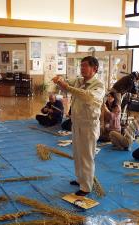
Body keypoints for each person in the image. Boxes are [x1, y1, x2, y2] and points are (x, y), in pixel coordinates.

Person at [52, 56, 105, 196]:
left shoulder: (99, 85)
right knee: (77, 154)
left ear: (95, 68)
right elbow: (66, 83)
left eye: (85, 66)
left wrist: (67, 87)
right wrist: (59, 80)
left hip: (89, 125)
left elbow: (88, 97)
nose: (82, 68)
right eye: (81, 66)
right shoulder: (79, 81)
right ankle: (80, 179)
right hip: (76, 123)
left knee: (87, 156)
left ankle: (86, 186)